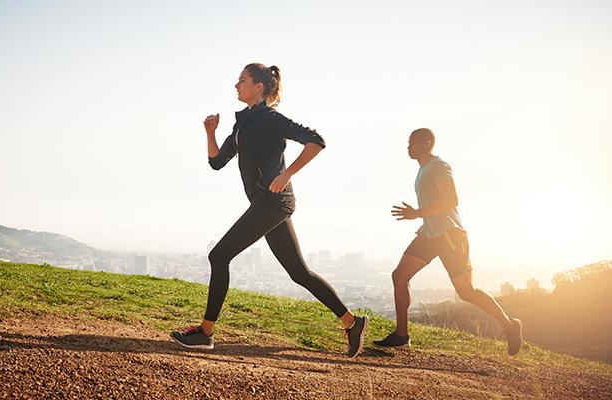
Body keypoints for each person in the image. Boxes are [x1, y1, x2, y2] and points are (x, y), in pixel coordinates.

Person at [170, 63, 368, 357]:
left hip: (273, 202)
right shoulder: (242, 124)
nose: (236, 86)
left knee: (219, 256)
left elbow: (316, 142)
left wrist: (286, 174)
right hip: (266, 204)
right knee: (299, 273)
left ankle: (205, 332)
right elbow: (217, 162)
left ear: (258, 87)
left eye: (242, 80)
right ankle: (352, 322)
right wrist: (210, 132)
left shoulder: (271, 119)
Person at [374, 128, 524, 355]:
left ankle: (510, 325)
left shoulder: (439, 166)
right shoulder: (423, 169)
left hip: (449, 235)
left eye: (412, 143)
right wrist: (421, 218)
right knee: (400, 276)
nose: (408, 147)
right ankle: (401, 336)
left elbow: (451, 200)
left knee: (466, 291)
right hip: (429, 233)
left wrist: (418, 213)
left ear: (426, 143)